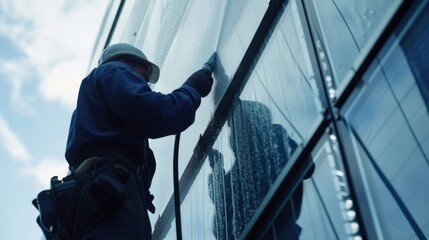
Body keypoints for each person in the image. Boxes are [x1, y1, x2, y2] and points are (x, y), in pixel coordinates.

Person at [62, 43, 214, 239]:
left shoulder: (88, 111)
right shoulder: (113, 70)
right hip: (110, 189)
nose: (144, 85)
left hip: (95, 194)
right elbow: (153, 112)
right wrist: (191, 90)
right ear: (124, 62)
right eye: (142, 77)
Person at [208, 100, 314, 239]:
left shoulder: (273, 138)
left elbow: (306, 166)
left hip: (277, 227)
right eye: (231, 129)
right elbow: (222, 198)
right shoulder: (240, 167)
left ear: (251, 124)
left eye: (234, 127)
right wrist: (217, 169)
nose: (230, 135)